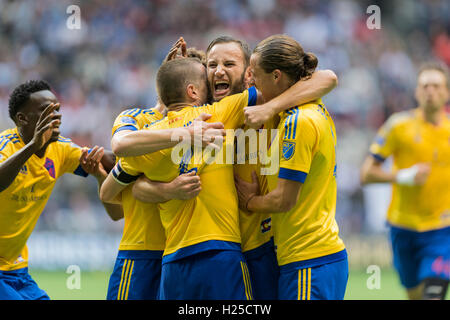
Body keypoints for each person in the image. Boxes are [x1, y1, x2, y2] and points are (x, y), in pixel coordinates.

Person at [131, 35, 339, 300]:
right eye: (212, 64)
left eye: (229, 64)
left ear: (250, 73)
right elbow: (135, 183)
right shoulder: (200, 120)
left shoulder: (268, 103)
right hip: (223, 253)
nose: (219, 70)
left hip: (269, 248)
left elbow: (328, 77)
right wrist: (168, 190)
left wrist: (271, 107)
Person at [105, 44, 225, 299]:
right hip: (142, 249)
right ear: (190, 88)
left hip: (181, 251)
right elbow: (110, 189)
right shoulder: (136, 119)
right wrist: (166, 190)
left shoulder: (209, 123)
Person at [234, 35, 348, 300]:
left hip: (309, 258)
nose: (251, 80)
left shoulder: (297, 122)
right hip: (314, 257)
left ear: (276, 76)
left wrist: (249, 201)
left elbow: (284, 199)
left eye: (256, 74)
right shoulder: (311, 108)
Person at [0, 80, 120, 300]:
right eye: (47, 111)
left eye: (57, 109)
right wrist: (32, 147)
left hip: (16, 270)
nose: (57, 116)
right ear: (22, 119)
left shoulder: (60, 149)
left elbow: (109, 160)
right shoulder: (5, 147)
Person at [360, 62, 450, 300]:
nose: (430, 91)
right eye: (425, 86)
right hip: (403, 227)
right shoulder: (398, 126)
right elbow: (366, 173)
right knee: (414, 294)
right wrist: (403, 176)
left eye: (437, 86)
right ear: (417, 92)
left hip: (442, 230)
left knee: (434, 294)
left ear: (447, 92)